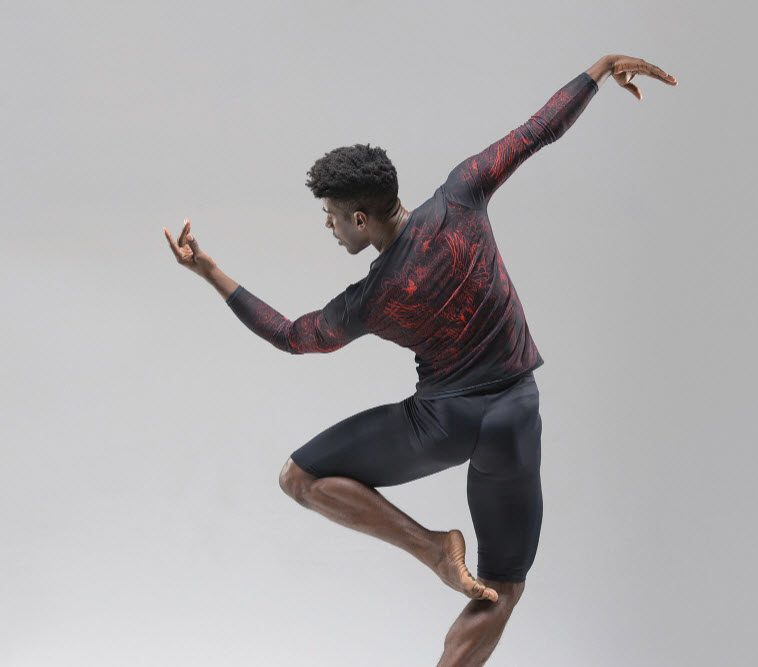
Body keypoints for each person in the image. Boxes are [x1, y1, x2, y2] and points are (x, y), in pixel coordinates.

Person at [164, 54, 676, 666]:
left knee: (298, 478)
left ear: (359, 218)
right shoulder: (462, 196)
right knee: (503, 588)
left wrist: (209, 271)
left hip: (442, 424)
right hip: (516, 418)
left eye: (331, 217)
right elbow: (538, 130)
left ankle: (433, 549)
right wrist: (600, 69)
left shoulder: (370, 298)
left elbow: (292, 336)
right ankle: (439, 562)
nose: (328, 227)